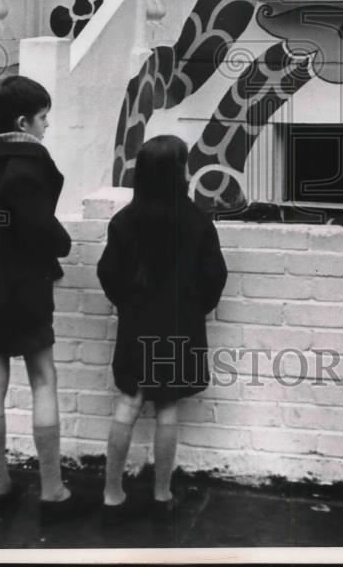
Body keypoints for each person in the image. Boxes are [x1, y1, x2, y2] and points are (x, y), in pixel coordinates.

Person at [0, 75, 86, 523]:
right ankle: (52, 489)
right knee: (43, 378)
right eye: (44, 118)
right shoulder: (27, 169)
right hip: (24, 289)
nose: (48, 126)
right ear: (24, 122)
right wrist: (62, 244)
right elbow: (44, 232)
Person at [96, 134, 228, 527]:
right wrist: (192, 310)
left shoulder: (123, 221)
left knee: (130, 401)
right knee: (167, 405)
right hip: (179, 325)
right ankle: (162, 492)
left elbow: (108, 274)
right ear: (178, 173)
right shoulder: (197, 222)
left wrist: (128, 304)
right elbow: (214, 278)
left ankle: (111, 493)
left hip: (136, 324)